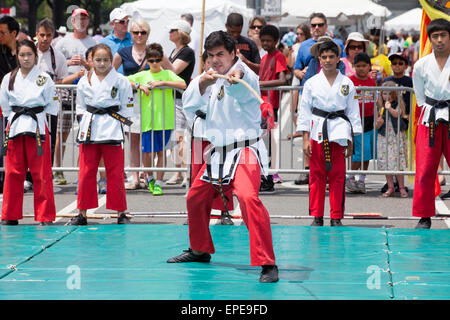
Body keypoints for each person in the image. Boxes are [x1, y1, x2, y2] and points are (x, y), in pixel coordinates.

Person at [167, 31, 278, 283]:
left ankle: (267, 262)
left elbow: (241, 84)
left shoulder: (242, 74)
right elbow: (191, 103)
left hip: (245, 150)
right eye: (211, 55)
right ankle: (199, 249)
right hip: (219, 152)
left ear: (233, 54)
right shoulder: (211, 78)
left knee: (248, 198)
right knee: (195, 198)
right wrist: (203, 83)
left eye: (221, 55)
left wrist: (235, 78)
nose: (215, 60)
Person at [296, 39, 362, 227]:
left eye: (331, 57)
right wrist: (305, 138)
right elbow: (304, 111)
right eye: (324, 57)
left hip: (340, 132)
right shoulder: (311, 83)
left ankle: (336, 216)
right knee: (316, 175)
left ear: (338, 58)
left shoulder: (347, 83)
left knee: (337, 175)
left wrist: (351, 140)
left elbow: (353, 112)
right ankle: (317, 216)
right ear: (319, 59)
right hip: (318, 130)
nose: (327, 60)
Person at [67, 44, 134, 226]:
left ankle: (121, 212)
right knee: (87, 172)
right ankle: (82, 213)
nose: (102, 63)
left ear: (111, 61)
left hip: (112, 125)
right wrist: (85, 123)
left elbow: (127, 107)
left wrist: (122, 124)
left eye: (106, 59)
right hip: (90, 126)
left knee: (116, 172)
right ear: (91, 61)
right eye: (98, 59)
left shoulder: (121, 80)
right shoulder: (84, 81)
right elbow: (80, 107)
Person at [0, 40, 58, 225]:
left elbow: (52, 104)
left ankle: (45, 215)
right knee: (12, 173)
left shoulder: (44, 78)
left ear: (35, 56)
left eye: (29, 55)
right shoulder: (9, 78)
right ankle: (10, 215)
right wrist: (15, 116)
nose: (26, 58)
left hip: (37, 126)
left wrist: (37, 114)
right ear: (17, 56)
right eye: (22, 55)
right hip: (16, 126)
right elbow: (5, 105)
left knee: (41, 173)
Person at [127, 43, 186, 196]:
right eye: (151, 60)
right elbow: (123, 80)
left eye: (157, 60)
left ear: (162, 60)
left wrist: (163, 83)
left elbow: (183, 84)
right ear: (146, 60)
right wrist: (139, 85)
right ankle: (150, 178)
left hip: (165, 121)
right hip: (148, 122)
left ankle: (159, 182)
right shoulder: (143, 75)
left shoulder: (167, 73)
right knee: (147, 153)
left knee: (161, 152)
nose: (154, 63)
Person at [292, 13, 345, 186]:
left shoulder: (337, 45)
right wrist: (299, 73)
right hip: (311, 97)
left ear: (326, 25)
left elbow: (342, 66)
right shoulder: (304, 46)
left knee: (332, 139)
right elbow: (297, 69)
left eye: (320, 24)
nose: (316, 27)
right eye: (313, 24)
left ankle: (330, 173)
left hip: (332, 102)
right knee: (309, 136)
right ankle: (309, 171)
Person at [186, 51, 235, 225]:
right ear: (204, 64)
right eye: (208, 63)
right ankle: (196, 213)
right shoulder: (197, 83)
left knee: (222, 173)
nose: (212, 67)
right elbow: (188, 108)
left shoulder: (226, 82)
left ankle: (224, 211)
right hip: (200, 132)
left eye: (215, 64)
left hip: (220, 135)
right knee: (197, 174)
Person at [411, 19, 450, 229]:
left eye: (443, 35)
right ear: (430, 39)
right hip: (430, 118)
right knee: (425, 169)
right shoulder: (421, 65)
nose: (440, 40)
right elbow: (420, 96)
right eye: (435, 36)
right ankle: (424, 216)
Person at [53, 8, 96, 187]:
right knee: (62, 131)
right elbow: (55, 64)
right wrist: (69, 62)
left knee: (85, 132)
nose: (81, 21)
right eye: (78, 18)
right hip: (66, 90)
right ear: (72, 21)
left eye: (84, 19)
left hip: (85, 89)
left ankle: (82, 170)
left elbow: (96, 65)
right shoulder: (62, 42)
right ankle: (57, 169)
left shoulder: (92, 41)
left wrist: (85, 64)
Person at [113, 18, 151, 190]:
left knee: (148, 139)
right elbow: (111, 76)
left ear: (147, 34)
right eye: (135, 32)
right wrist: (132, 84)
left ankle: (148, 175)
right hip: (130, 102)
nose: (139, 35)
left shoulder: (154, 52)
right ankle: (135, 176)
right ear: (131, 34)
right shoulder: (123, 52)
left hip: (151, 101)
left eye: (142, 32)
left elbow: (170, 71)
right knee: (133, 140)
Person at [165, 20, 195, 188]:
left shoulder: (187, 52)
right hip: (172, 97)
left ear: (180, 33)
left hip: (181, 98)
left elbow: (173, 71)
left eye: (172, 30)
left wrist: (161, 59)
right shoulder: (175, 50)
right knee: (174, 136)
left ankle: (186, 172)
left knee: (180, 136)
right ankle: (178, 171)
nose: (169, 32)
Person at [258, 25, 288, 189]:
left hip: (271, 105)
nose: (266, 43)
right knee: (261, 142)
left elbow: (282, 80)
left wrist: (260, 83)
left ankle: (268, 178)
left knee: (267, 143)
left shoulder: (278, 56)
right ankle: (263, 176)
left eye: (269, 40)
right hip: (261, 103)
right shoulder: (264, 58)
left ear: (276, 41)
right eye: (263, 41)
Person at [345, 52, 377, 194]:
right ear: (353, 66)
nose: (361, 68)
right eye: (358, 66)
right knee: (358, 153)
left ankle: (362, 179)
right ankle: (350, 177)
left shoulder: (372, 82)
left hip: (370, 121)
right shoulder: (349, 81)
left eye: (364, 66)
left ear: (369, 67)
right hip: (356, 121)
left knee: (367, 153)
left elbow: (377, 101)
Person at [375, 80, 409, 198]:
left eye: (390, 93)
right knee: (386, 162)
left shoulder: (398, 103)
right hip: (384, 137)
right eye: (384, 94)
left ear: (395, 94)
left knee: (398, 162)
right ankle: (390, 187)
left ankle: (401, 187)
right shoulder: (379, 106)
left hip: (396, 136)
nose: (387, 96)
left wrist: (389, 108)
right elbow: (376, 125)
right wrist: (378, 123)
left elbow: (397, 114)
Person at [0, 15, 20, 194]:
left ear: (13, 33)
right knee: (2, 145)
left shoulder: (25, 51)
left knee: (19, 145)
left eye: (2, 32)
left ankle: (25, 178)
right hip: (4, 106)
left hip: (24, 109)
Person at [287, 23, 310, 142]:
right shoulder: (295, 46)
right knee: (292, 107)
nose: (299, 35)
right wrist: (290, 53)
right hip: (296, 79)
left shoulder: (308, 46)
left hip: (306, 78)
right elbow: (290, 65)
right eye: (298, 33)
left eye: (302, 33)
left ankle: (304, 130)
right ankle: (298, 130)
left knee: (304, 107)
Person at [101, 8, 132, 75]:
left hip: (133, 81)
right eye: (122, 21)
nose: (126, 24)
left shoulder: (135, 39)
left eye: (127, 21)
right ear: (112, 24)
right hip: (112, 82)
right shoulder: (103, 43)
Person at [181, 13, 201, 77]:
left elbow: (188, 53)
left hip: (190, 73)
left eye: (182, 22)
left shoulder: (191, 33)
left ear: (189, 23)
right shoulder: (194, 33)